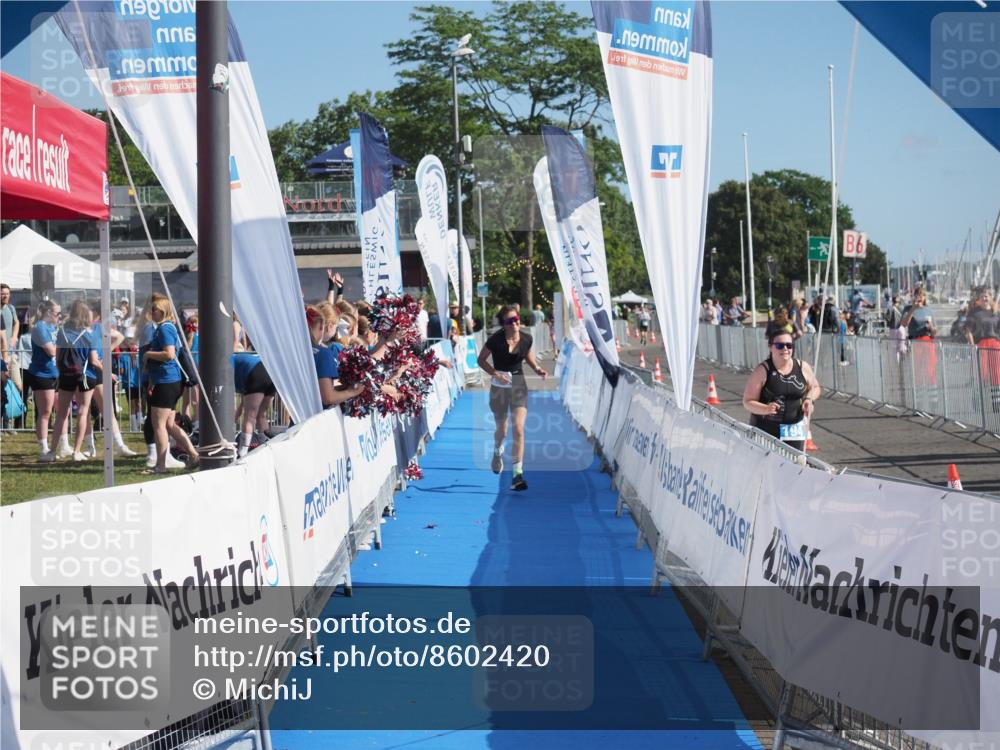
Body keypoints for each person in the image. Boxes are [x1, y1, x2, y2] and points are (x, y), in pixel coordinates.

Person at [477, 305, 548, 491]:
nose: (515, 322)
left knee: (519, 429)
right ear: (504, 324)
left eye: (516, 319)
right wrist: (494, 373)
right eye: (510, 321)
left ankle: (517, 475)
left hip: (518, 385)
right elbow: (480, 360)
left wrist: (538, 369)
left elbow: (529, 357)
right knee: (503, 431)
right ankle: (497, 451)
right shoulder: (495, 340)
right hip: (499, 389)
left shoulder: (526, 338)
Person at [143, 296, 199, 473]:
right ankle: (193, 454)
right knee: (168, 425)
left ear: (163, 310)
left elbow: (169, 354)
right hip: (166, 380)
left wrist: (148, 355)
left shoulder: (165, 329)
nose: (151, 312)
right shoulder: (164, 328)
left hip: (167, 381)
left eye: (155, 309)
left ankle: (161, 465)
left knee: (158, 425)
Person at [741, 329, 821, 452]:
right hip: (766, 430)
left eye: (789, 345)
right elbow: (748, 401)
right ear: (770, 347)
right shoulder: (762, 371)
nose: (785, 349)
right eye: (779, 345)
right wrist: (765, 409)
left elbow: (815, 387)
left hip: (794, 429)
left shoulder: (802, 367)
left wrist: (809, 400)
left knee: (794, 465)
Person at [79, 304, 137, 458]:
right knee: (85, 411)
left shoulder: (98, 328)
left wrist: (106, 350)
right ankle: (90, 447)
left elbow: (120, 337)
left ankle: (119, 445)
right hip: (85, 372)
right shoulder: (80, 329)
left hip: (96, 371)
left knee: (108, 410)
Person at [49, 300, 103, 461]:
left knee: (61, 414)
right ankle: (77, 451)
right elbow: (93, 360)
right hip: (85, 376)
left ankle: (52, 451)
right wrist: (105, 370)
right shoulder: (89, 334)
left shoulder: (62, 332)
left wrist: (62, 371)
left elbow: (58, 357)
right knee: (82, 411)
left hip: (66, 375)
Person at [306, 306, 363, 409]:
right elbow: (328, 398)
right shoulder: (323, 353)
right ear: (322, 327)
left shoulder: (300, 351)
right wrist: (352, 391)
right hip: (314, 417)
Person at [26, 300, 61, 461]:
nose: (59, 316)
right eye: (56, 313)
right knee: (45, 412)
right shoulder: (40, 327)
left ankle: (62, 443)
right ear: (48, 313)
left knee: (60, 410)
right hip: (42, 374)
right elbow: (52, 351)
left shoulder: (53, 327)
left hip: (54, 373)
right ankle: (44, 447)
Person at [232, 350, 275, 459]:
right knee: (261, 414)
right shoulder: (238, 362)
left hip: (256, 372)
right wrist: (234, 418)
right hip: (270, 372)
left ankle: (243, 451)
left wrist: (233, 420)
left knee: (250, 416)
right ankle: (264, 445)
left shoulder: (226, 363)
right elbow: (242, 404)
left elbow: (243, 407)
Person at [964, 287, 1000, 408]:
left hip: (995, 344)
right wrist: (972, 345)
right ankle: (977, 403)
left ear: (991, 298)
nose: (985, 298)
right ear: (979, 298)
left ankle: (997, 404)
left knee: (996, 374)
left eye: (987, 296)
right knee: (979, 374)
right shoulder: (974, 312)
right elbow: (968, 330)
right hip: (981, 344)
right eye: (983, 296)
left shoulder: (996, 312)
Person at [900, 286, 937, 389]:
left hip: (928, 341)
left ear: (925, 297)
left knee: (930, 369)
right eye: (917, 295)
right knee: (917, 370)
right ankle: (919, 397)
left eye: (922, 295)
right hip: (915, 342)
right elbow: (904, 324)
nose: (919, 297)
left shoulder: (928, 310)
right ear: (913, 297)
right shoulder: (908, 309)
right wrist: (913, 309)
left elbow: (934, 332)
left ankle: (932, 397)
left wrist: (932, 328)